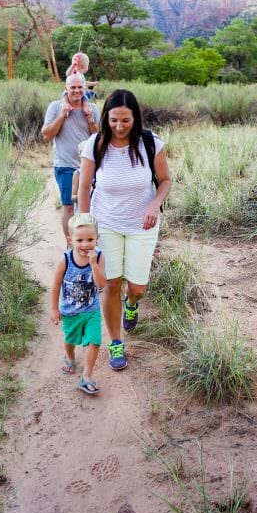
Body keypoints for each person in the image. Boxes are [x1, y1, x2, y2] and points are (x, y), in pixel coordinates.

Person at [77, 89, 171, 371]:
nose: (119, 127)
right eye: (114, 120)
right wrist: (84, 223)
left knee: (138, 287)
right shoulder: (95, 144)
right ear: (106, 117)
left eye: (125, 121)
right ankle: (116, 342)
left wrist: (155, 204)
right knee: (111, 284)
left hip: (143, 224)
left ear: (135, 118)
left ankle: (133, 303)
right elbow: (83, 187)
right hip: (105, 224)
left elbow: (165, 181)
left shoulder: (151, 144)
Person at [49, 213, 106, 394]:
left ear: (97, 238)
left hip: (91, 310)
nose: (85, 244)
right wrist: (54, 309)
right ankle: (70, 356)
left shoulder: (99, 257)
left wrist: (94, 265)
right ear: (70, 239)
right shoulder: (65, 260)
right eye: (79, 240)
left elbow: (101, 285)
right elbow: (56, 284)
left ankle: (87, 376)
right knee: (70, 339)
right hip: (70, 312)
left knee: (95, 341)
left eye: (90, 239)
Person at [42, 73, 99, 246]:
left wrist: (90, 119)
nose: (76, 91)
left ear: (84, 88)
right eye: (72, 87)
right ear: (66, 88)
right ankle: (71, 244)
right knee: (69, 206)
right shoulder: (55, 106)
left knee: (87, 207)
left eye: (79, 87)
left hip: (88, 166)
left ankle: (86, 242)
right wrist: (62, 114)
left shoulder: (92, 108)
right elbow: (46, 134)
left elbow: (98, 137)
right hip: (65, 165)